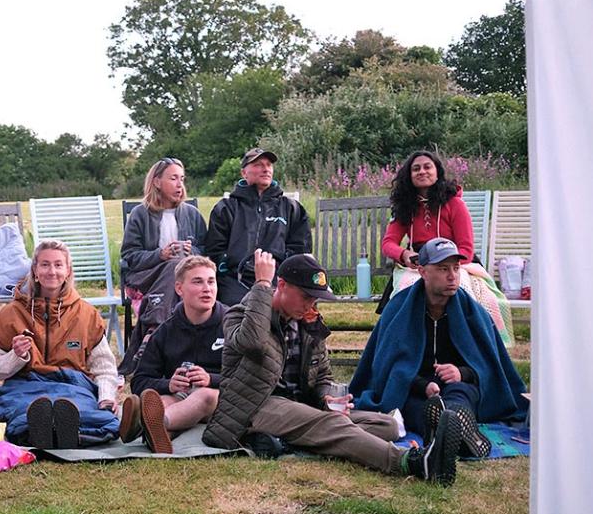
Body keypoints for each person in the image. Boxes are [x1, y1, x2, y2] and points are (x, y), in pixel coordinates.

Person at [203, 249, 463, 486]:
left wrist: (326, 397)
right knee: (333, 424)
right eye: (306, 296)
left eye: (315, 298)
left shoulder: (308, 323)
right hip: (255, 407)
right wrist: (261, 284)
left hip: (301, 407)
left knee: (388, 426)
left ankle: (289, 440)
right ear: (281, 285)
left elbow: (322, 376)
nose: (311, 305)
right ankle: (412, 462)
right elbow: (252, 342)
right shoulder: (240, 315)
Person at [351, 238, 528, 458]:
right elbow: (386, 368)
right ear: (423, 271)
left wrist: (461, 373)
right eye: (443, 269)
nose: (452, 276)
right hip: (414, 389)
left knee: (461, 396)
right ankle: (455, 431)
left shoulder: (473, 313)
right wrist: (423, 385)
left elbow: (489, 366)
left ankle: (451, 427)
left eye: (456, 268)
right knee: (414, 406)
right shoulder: (398, 309)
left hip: (457, 387)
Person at [0, 240, 119, 449]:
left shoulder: (87, 315)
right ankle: (60, 433)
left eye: (58, 265)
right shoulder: (10, 314)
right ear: (35, 270)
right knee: (22, 412)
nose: (52, 271)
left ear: (68, 271)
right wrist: (16, 356)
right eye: (45, 265)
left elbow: (105, 367)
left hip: (73, 387)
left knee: (91, 414)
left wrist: (106, 398)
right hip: (24, 386)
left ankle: (53, 432)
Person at [378, 150, 513, 345]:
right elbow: (388, 243)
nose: (422, 171)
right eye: (416, 169)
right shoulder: (405, 207)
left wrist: (442, 264)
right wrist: (404, 254)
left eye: (427, 167)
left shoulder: (455, 204)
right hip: (418, 264)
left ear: (437, 172)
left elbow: (466, 249)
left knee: (465, 289)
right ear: (409, 176)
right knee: (406, 290)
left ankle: (471, 344)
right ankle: (407, 345)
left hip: (455, 262)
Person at [125, 256, 223, 453]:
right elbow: (139, 381)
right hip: (181, 398)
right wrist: (168, 384)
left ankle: (147, 425)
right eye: (198, 282)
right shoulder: (165, 331)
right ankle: (159, 434)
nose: (207, 289)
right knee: (163, 401)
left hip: (222, 398)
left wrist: (210, 379)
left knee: (203, 395)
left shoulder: (233, 325)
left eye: (211, 281)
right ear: (179, 288)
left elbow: (250, 377)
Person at [119, 157, 207, 373]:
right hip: (147, 275)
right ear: (157, 182)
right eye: (173, 178)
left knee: (178, 269)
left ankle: (152, 334)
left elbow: (206, 252)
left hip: (183, 279)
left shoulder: (192, 214)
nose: (180, 184)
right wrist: (160, 255)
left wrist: (192, 253)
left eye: (182, 179)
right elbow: (129, 256)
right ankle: (160, 335)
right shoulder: (140, 214)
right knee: (173, 266)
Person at [205, 148, 312, 306]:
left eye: (269, 165)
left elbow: (300, 249)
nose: (266, 169)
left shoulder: (291, 208)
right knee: (236, 309)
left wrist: (280, 270)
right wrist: (230, 268)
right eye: (258, 165)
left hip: (279, 280)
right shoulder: (226, 208)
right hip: (235, 280)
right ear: (244, 173)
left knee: (287, 305)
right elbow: (214, 250)